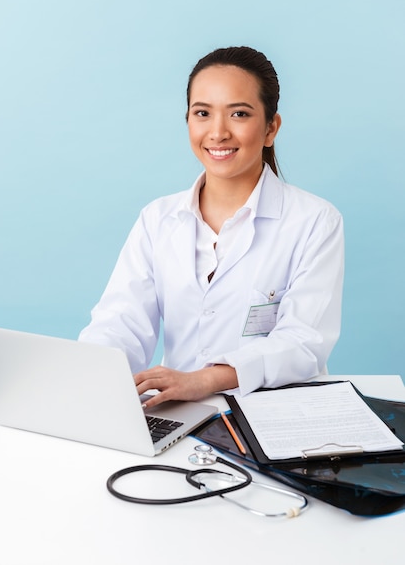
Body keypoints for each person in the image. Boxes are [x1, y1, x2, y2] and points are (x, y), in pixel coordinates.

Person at [79, 46, 344, 410]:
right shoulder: (158, 219)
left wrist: (205, 379)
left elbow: (303, 341)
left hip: (275, 414)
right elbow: (120, 322)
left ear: (271, 128)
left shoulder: (314, 220)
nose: (217, 132)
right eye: (202, 113)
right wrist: (88, 378)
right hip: (178, 413)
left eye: (239, 113)